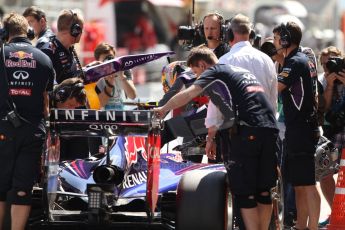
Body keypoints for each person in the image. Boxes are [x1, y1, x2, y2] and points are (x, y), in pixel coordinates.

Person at [154, 46, 279, 230]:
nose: (197, 78)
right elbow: (220, 109)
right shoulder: (236, 72)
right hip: (269, 129)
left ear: (203, 65)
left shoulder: (215, 71)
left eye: (196, 73)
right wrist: (211, 138)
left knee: (245, 193)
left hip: (247, 131)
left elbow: (189, 94)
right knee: (263, 191)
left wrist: (162, 109)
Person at [0, 13, 55, 230]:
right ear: (29, 33)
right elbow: (46, 101)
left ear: (5, 33)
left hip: (2, 129)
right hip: (33, 131)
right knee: (23, 189)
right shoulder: (44, 59)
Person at [273, 22, 320, 230]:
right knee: (299, 184)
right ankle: (301, 226)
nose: (273, 43)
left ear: (285, 39)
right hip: (297, 128)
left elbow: (275, 88)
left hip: (301, 129)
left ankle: (313, 227)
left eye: (275, 38)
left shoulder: (295, 61)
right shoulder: (297, 59)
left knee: (308, 184)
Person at [317, 46, 345, 227]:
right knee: (324, 172)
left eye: (335, 60)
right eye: (327, 64)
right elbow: (323, 109)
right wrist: (328, 86)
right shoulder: (322, 80)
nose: (331, 65)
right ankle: (335, 211)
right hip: (331, 133)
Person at [39, 9, 84, 84]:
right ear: (75, 30)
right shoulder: (47, 51)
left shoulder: (69, 49)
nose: (82, 33)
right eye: (81, 30)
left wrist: (90, 70)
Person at [93, 42, 136, 109]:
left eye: (111, 58)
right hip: (104, 116)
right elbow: (100, 103)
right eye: (105, 60)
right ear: (98, 62)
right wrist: (109, 84)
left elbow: (132, 96)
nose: (109, 62)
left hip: (123, 114)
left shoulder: (124, 70)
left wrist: (122, 77)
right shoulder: (94, 75)